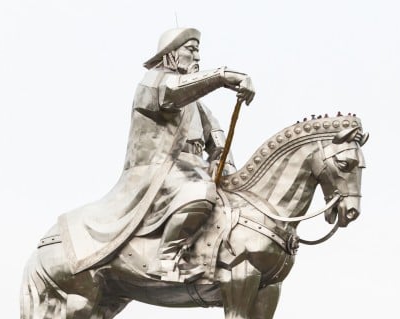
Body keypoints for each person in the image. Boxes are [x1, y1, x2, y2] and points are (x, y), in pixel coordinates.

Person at [63, 27, 256, 283]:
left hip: (195, 170)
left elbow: (218, 140)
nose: (197, 58)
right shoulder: (153, 82)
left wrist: (225, 165)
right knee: (201, 194)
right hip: (159, 170)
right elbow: (174, 92)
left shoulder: (198, 107)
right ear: (170, 54)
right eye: (191, 49)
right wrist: (223, 76)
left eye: (198, 51)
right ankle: (166, 258)